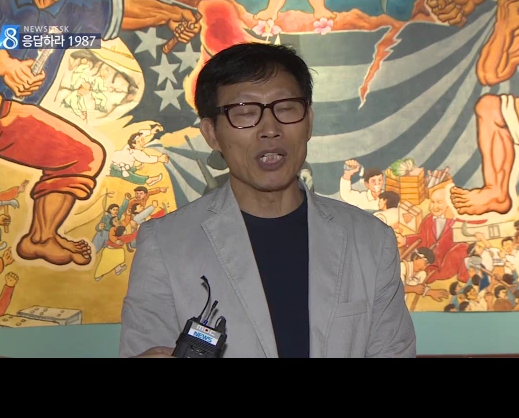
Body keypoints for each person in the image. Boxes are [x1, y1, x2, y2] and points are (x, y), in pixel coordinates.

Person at [119, 43, 417, 358]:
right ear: (211, 133)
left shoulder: (370, 240)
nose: (270, 130)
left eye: (286, 108)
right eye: (245, 113)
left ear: (309, 120)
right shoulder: (165, 244)